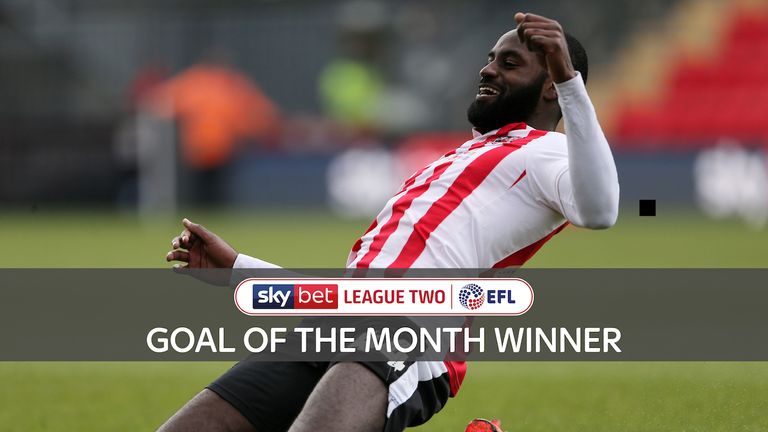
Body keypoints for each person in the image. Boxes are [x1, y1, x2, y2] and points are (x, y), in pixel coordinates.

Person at [161, 12, 619, 432]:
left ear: (548, 87)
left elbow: (599, 211)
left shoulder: (548, 153)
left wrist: (570, 82)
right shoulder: (462, 158)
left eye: (510, 62)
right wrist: (242, 269)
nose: (487, 69)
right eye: (490, 58)